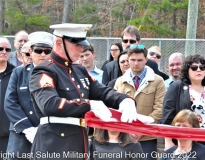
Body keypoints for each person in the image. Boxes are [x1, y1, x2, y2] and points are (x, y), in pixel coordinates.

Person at [29, 23, 139, 160]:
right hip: (54, 145)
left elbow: (102, 92)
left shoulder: (79, 70)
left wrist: (124, 99)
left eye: (82, 45)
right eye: (76, 44)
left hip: (79, 143)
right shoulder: (45, 70)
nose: (81, 49)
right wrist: (89, 104)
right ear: (58, 42)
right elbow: (49, 104)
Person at [4, 31, 53, 160]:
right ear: (30, 51)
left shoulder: (58, 75)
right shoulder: (18, 73)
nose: (43, 54)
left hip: (48, 135)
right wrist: (27, 129)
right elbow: (10, 103)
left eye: (47, 51)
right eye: (38, 50)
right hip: (21, 135)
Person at [114, 44, 166, 160]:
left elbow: (160, 109)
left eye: (140, 60)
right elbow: (116, 109)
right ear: (128, 59)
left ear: (146, 60)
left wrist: (141, 129)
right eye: (132, 60)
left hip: (147, 138)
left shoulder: (158, 81)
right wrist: (128, 129)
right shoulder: (120, 82)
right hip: (124, 137)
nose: (136, 63)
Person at [162, 54, 205, 153]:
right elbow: (167, 116)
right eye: (194, 67)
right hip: (184, 143)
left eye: (202, 67)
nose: (199, 70)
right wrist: (168, 141)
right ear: (187, 70)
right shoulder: (176, 87)